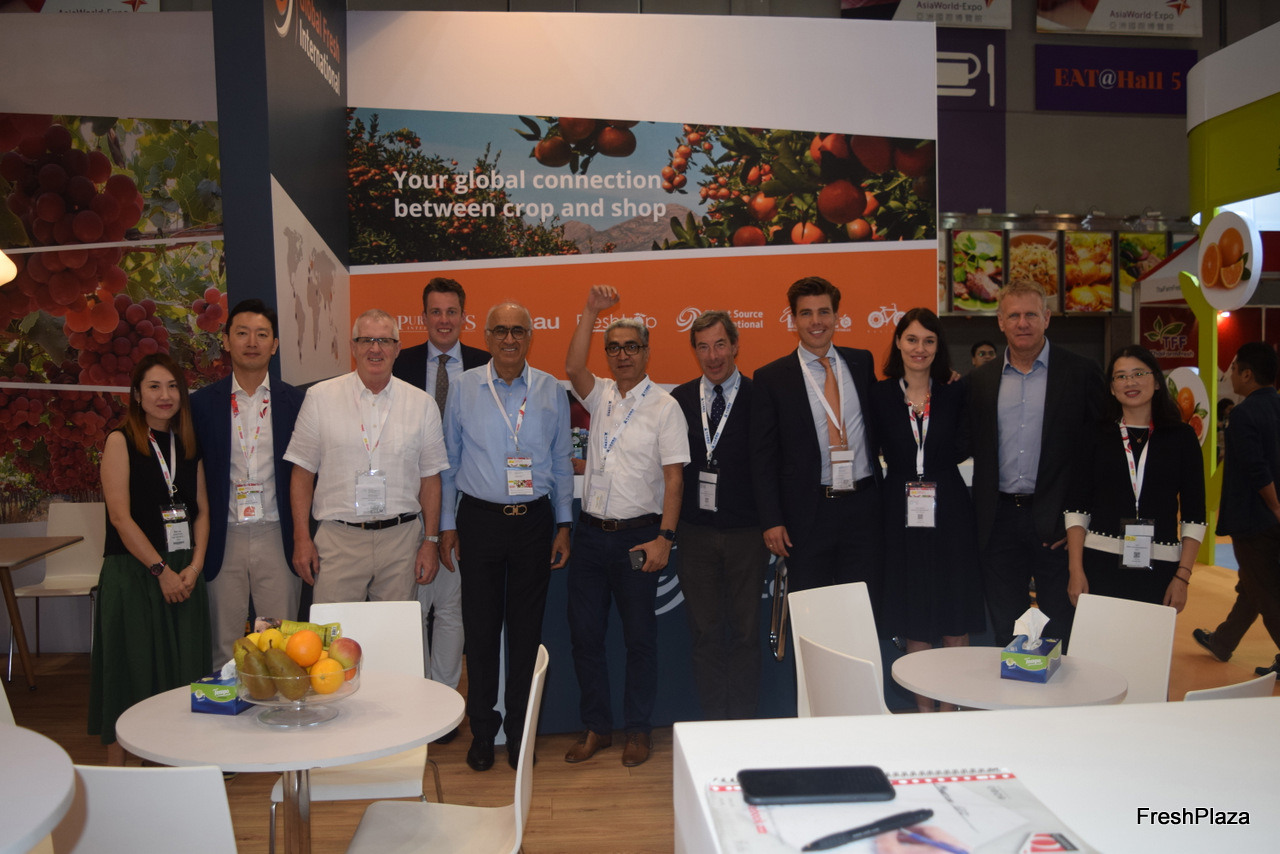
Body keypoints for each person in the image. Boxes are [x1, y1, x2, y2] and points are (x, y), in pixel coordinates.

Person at [439, 301, 573, 772]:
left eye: (518, 330)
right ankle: (482, 732)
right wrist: (447, 525)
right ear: (487, 337)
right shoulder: (463, 387)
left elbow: (561, 462)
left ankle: (519, 733)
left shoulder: (551, 390)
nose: (509, 339)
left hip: (533, 523)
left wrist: (563, 524)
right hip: (479, 521)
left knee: (525, 633)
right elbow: (449, 462)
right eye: (500, 331)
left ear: (530, 336)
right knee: (479, 632)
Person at [563, 285, 689, 767]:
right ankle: (597, 727)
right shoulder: (599, 396)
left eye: (631, 347)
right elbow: (573, 367)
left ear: (646, 352)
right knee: (585, 637)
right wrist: (589, 311)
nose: (622, 355)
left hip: (640, 537)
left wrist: (665, 538)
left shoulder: (665, 406)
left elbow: (674, 479)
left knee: (639, 639)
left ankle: (638, 730)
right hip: (591, 534)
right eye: (613, 348)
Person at [89, 353, 212, 765]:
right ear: (137, 395)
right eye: (154, 387)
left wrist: (194, 567)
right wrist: (160, 570)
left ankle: (175, 765)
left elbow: (202, 512)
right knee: (131, 671)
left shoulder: (187, 444)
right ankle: (119, 773)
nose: (165, 395)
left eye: (173, 386)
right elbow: (119, 518)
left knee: (181, 674)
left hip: (185, 574)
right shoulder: (120, 441)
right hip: (136, 574)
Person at [968, 281, 1104, 647]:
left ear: (1047, 318)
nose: (1022, 323)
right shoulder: (980, 381)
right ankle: (1013, 685)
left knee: (1061, 624)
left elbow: (1098, 452)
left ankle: (1061, 685)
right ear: (1001, 322)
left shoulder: (1081, 373)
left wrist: (1079, 520)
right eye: (1014, 315)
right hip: (998, 522)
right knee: (1006, 628)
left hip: (1058, 525)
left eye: (1031, 314)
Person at [285, 309, 448, 606]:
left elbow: (431, 479)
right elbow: (302, 473)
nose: (375, 348)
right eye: (366, 340)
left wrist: (431, 541)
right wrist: (301, 538)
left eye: (384, 341)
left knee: (394, 632)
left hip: (401, 542)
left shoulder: (422, 404)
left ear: (397, 349)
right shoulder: (320, 398)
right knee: (335, 632)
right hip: (338, 540)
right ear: (353, 347)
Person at [870, 308, 984, 712]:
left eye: (929, 341)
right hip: (899, 512)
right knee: (914, 617)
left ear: (939, 347)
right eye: (912, 339)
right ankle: (923, 712)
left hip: (949, 510)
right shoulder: (880, 395)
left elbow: (966, 443)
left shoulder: (955, 393)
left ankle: (949, 711)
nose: (920, 348)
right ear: (898, 343)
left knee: (954, 616)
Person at [392, 277, 488, 731]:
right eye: (436, 312)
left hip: (467, 503)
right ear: (423, 316)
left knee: (451, 607)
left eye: (452, 312)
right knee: (411, 607)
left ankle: (445, 706)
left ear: (464, 316)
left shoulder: (488, 364)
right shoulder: (399, 363)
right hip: (406, 502)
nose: (444, 320)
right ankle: (414, 703)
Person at [191, 299, 305, 666]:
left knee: (281, 645)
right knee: (223, 644)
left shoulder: (297, 403)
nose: (252, 342)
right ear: (226, 341)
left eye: (261, 334)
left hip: (277, 534)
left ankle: (279, 702)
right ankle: (224, 702)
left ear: (274, 344)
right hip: (224, 536)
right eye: (242, 333)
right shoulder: (201, 405)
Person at [751, 275, 882, 594]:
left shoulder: (861, 362)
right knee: (813, 606)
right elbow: (762, 458)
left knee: (862, 604)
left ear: (837, 316)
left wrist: (939, 379)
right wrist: (772, 519)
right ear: (793, 319)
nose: (816, 322)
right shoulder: (771, 378)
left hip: (863, 508)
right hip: (807, 514)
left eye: (824, 312)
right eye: (806, 313)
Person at [670, 310, 768, 720]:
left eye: (720, 345)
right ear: (695, 351)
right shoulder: (678, 400)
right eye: (703, 347)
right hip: (695, 534)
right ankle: (714, 724)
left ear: (735, 345)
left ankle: (742, 723)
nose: (713, 356)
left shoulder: (761, 397)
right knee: (705, 633)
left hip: (748, 533)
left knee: (745, 633)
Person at [1064, 345, 1206, 613]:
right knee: (1099, 639)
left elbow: (1194, 515)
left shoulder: (1182, 438)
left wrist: (1183, 577)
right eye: (1121, 376)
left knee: (1148, 639)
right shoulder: (1094, 434)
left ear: (1157, 382)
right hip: (1098, 564)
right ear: (1111, 388)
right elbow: (1076, 508)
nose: (1130, 382)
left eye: (1139, 373)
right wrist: (1075, 569)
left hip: (1161, 567)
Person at [1193, 342, 1280, 677]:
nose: (1229, 375)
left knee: (1265, 591)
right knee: (1253, 584)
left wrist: (1274, 506)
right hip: (1269, 517)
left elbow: (1256, 469)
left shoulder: (1243, 415)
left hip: (1255, 518)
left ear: (1248, 374)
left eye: (1233, 369)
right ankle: (1223, 641)